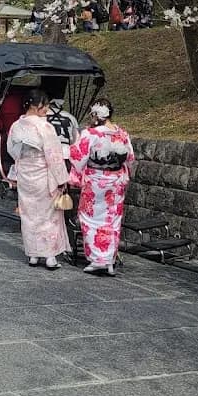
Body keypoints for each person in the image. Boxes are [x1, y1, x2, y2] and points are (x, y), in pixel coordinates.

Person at [70, 100, 135, 276]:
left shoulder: (90, 134)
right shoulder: (121, 134)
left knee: (90, 218)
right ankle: (109, 260)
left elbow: (77, 157)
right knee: (112, 219)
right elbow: (130, 158)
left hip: (96, 181)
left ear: (95, 115)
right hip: (116, 181)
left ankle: (98, 259)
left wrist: (75, 176)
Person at [7, 89, 70, 269]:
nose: (47, 109)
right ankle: (49, 256)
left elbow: (12, 150)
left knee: (29, 215)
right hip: (43, 175)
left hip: (26, 175)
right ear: (35, 106)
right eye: (45, 105)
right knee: (48, 216)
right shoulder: (45, 127)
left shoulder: (16, 126)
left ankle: (33, 255)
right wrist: (61, 178)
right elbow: (53, 155)